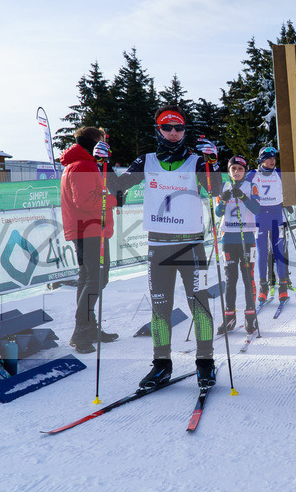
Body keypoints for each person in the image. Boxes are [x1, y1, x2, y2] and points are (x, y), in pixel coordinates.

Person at [114, 107, 222, 389]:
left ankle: (205, 363)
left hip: (191, 247)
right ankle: (161, 365)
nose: (173, 132)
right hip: (158, 247)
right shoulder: (146, 160)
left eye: (179, 128)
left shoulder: (197, 161)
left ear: (184, 130)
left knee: (200, 306)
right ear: (157, 130)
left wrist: (213, 162)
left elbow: (216, 189)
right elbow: (117, 188)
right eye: (166, 127)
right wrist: (100, 164)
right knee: (160, 309)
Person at [60, 126, 120, 354]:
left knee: (89, 279)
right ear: (92, 142)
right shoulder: (83, 165)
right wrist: (113, 200)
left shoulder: (82, 164)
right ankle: (80, 331)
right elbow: (85, 201)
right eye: (101, 141)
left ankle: (88, 327)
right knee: (95, 280)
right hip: (89, 229)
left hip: (89, 228)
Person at [215, 155, 262, 335]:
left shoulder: (252, 186)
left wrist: (242, 196)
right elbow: (219, 212)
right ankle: (229, 316)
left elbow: (257, 209)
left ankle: (250, 317)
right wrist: (225, 199)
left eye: (240, 169)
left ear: (245, 171)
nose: (236, 172)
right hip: (228, 239)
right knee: (230, 280)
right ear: (229, 171)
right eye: (233, 169)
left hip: (247, 238)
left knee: (248, 278)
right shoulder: (224, 187)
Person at [250, 147, 290, 306]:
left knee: (278, 249)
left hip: (276, 215)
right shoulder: (253, 174)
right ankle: (263, 287)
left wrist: (288, 201)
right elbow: (238, 185)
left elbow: (291, 187)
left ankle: (283, 286)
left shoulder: (279, 173)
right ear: (261, 160)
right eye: (268, 158)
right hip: (260, 216)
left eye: (274, 158)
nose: (272, 160)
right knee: (262, 251)